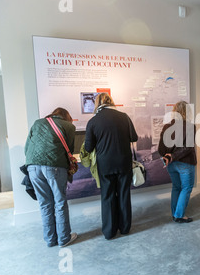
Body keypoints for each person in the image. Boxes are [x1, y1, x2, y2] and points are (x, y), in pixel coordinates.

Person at [84, 93, 138, 240]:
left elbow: (88, 147)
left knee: (107, 196)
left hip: (105, 164)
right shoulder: (124, 117)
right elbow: (134, 137)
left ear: (97, 104)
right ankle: (125, 228)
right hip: (123, 162)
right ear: (111, 102)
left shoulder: (93, 121)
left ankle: (109, 231)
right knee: (124, 194)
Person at [24, 107, 77, 247]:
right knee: (59, 202)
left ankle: (50, 239)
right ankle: (64, 238)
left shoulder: (37, 123)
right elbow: (70, 149)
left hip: (33, 167)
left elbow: (27, 148)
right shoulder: (69, 126)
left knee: (44, 204)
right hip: (54, 166)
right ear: (67, 116)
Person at [158, 101, 197, 223]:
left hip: (171, 164)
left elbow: (161, 149)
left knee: (176, 187)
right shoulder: (190, 126)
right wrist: (174, 156)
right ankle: (179, 215)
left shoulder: (166, 126)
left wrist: (168, 156)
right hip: (185, 163)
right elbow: (188, 148)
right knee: (186, 188)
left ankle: (175, 213)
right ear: (187, 112)